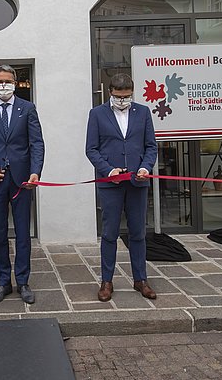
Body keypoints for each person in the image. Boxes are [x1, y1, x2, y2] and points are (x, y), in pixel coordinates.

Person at [0, 64, 45, 305]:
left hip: (22, 181)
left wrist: (36, 172)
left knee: (23, 233)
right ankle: (3, 281)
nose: (3, 85)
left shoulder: (27, 108)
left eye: (7, 81)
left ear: (15, 83)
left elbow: (36, 143)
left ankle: (23, 281)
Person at [85, 73, 158, 302]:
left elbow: (151, 146)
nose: (123, 101)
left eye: (127, 97)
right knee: (109, 234)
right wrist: (108, 170)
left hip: (137, 182)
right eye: (119, 97)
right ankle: (107, 281)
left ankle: (140, 279)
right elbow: (91, 149)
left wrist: (146, 167)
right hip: (111, 184)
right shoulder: (97, 114)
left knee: (138, 233)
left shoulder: (143, 112)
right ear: (110, 93)